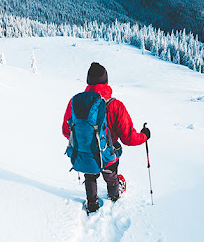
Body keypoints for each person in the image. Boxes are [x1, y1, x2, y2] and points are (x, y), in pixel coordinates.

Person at [62, 62, 151, 213]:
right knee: (111, 175)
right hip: (108, 154)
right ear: (106, 81)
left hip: (86, 154)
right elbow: (128, 137)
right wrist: (145, 135)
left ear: (88, 82)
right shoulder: (115, 105)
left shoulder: (76, 103)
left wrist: (84, 140)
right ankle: (115, 196)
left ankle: (92, 203)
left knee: (90, 176)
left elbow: (66, 131)